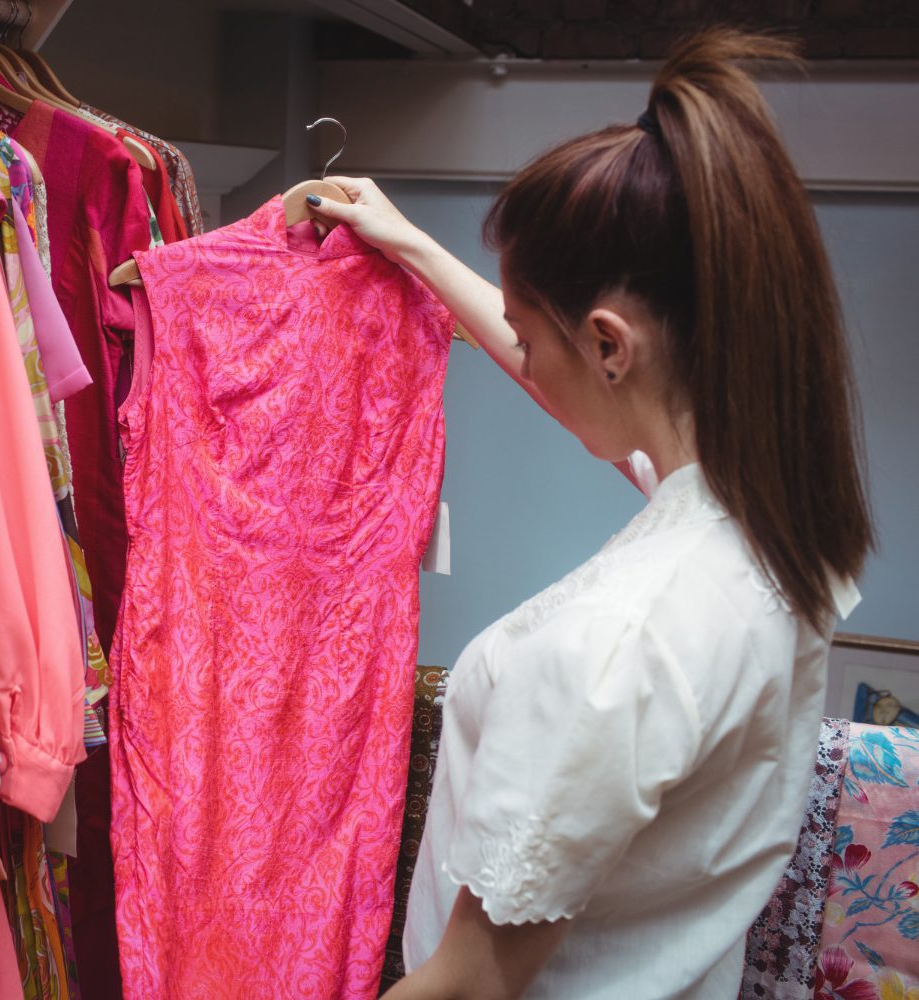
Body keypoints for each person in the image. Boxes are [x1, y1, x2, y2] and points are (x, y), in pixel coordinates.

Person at [306, 28, 873, 999]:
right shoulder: (773, 529)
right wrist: (412, 246)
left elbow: (472, 980)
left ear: (613, 347)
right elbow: (584, 400)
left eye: (530, 339)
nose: (522, 361)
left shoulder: (613, 646)